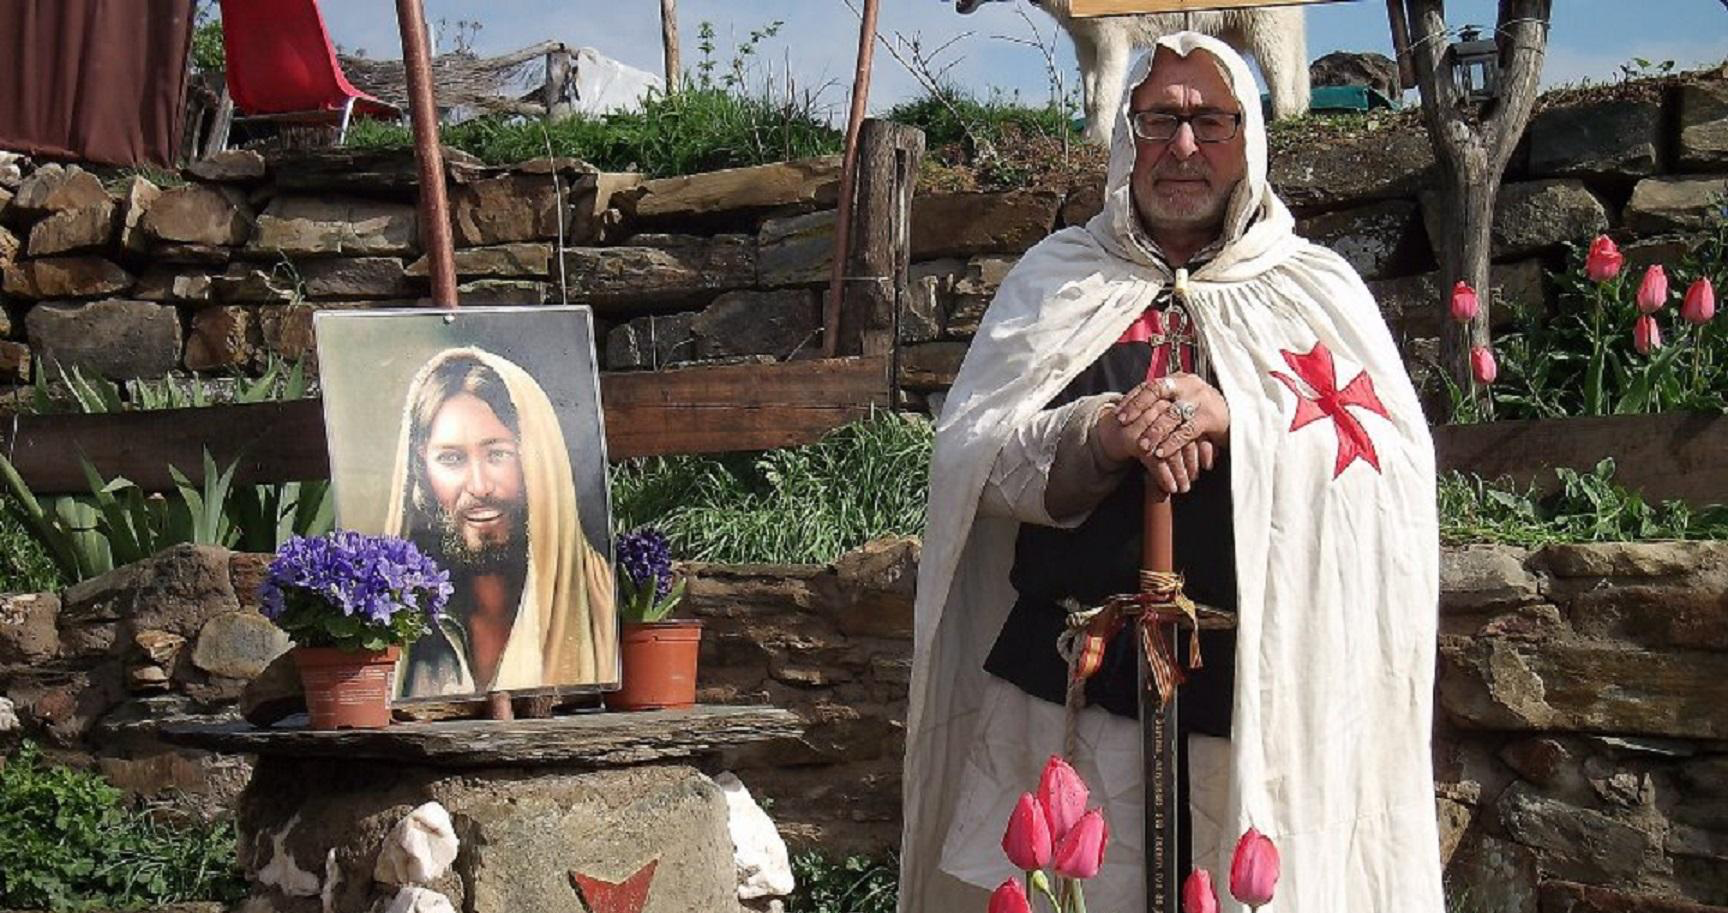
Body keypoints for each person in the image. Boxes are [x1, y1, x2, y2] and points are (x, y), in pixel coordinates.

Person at [900, 33, 1444, 913]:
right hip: (1072, 691)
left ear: (1248, 135)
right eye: (1159, 119)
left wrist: (1243, 417)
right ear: (1128, 135)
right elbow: (972, 462)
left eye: (1210, 120)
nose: (1183, 145)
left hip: (1256, 698)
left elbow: (1393, 478)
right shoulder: (1059, 280)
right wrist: (1100, 433)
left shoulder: (1313, 290)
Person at [384, 347, 616, 699]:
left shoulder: (602, 602)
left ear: (535, 458)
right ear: (422, 466)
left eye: (498, 454)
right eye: (451, 458)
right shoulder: (397, 617)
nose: (479, 487)